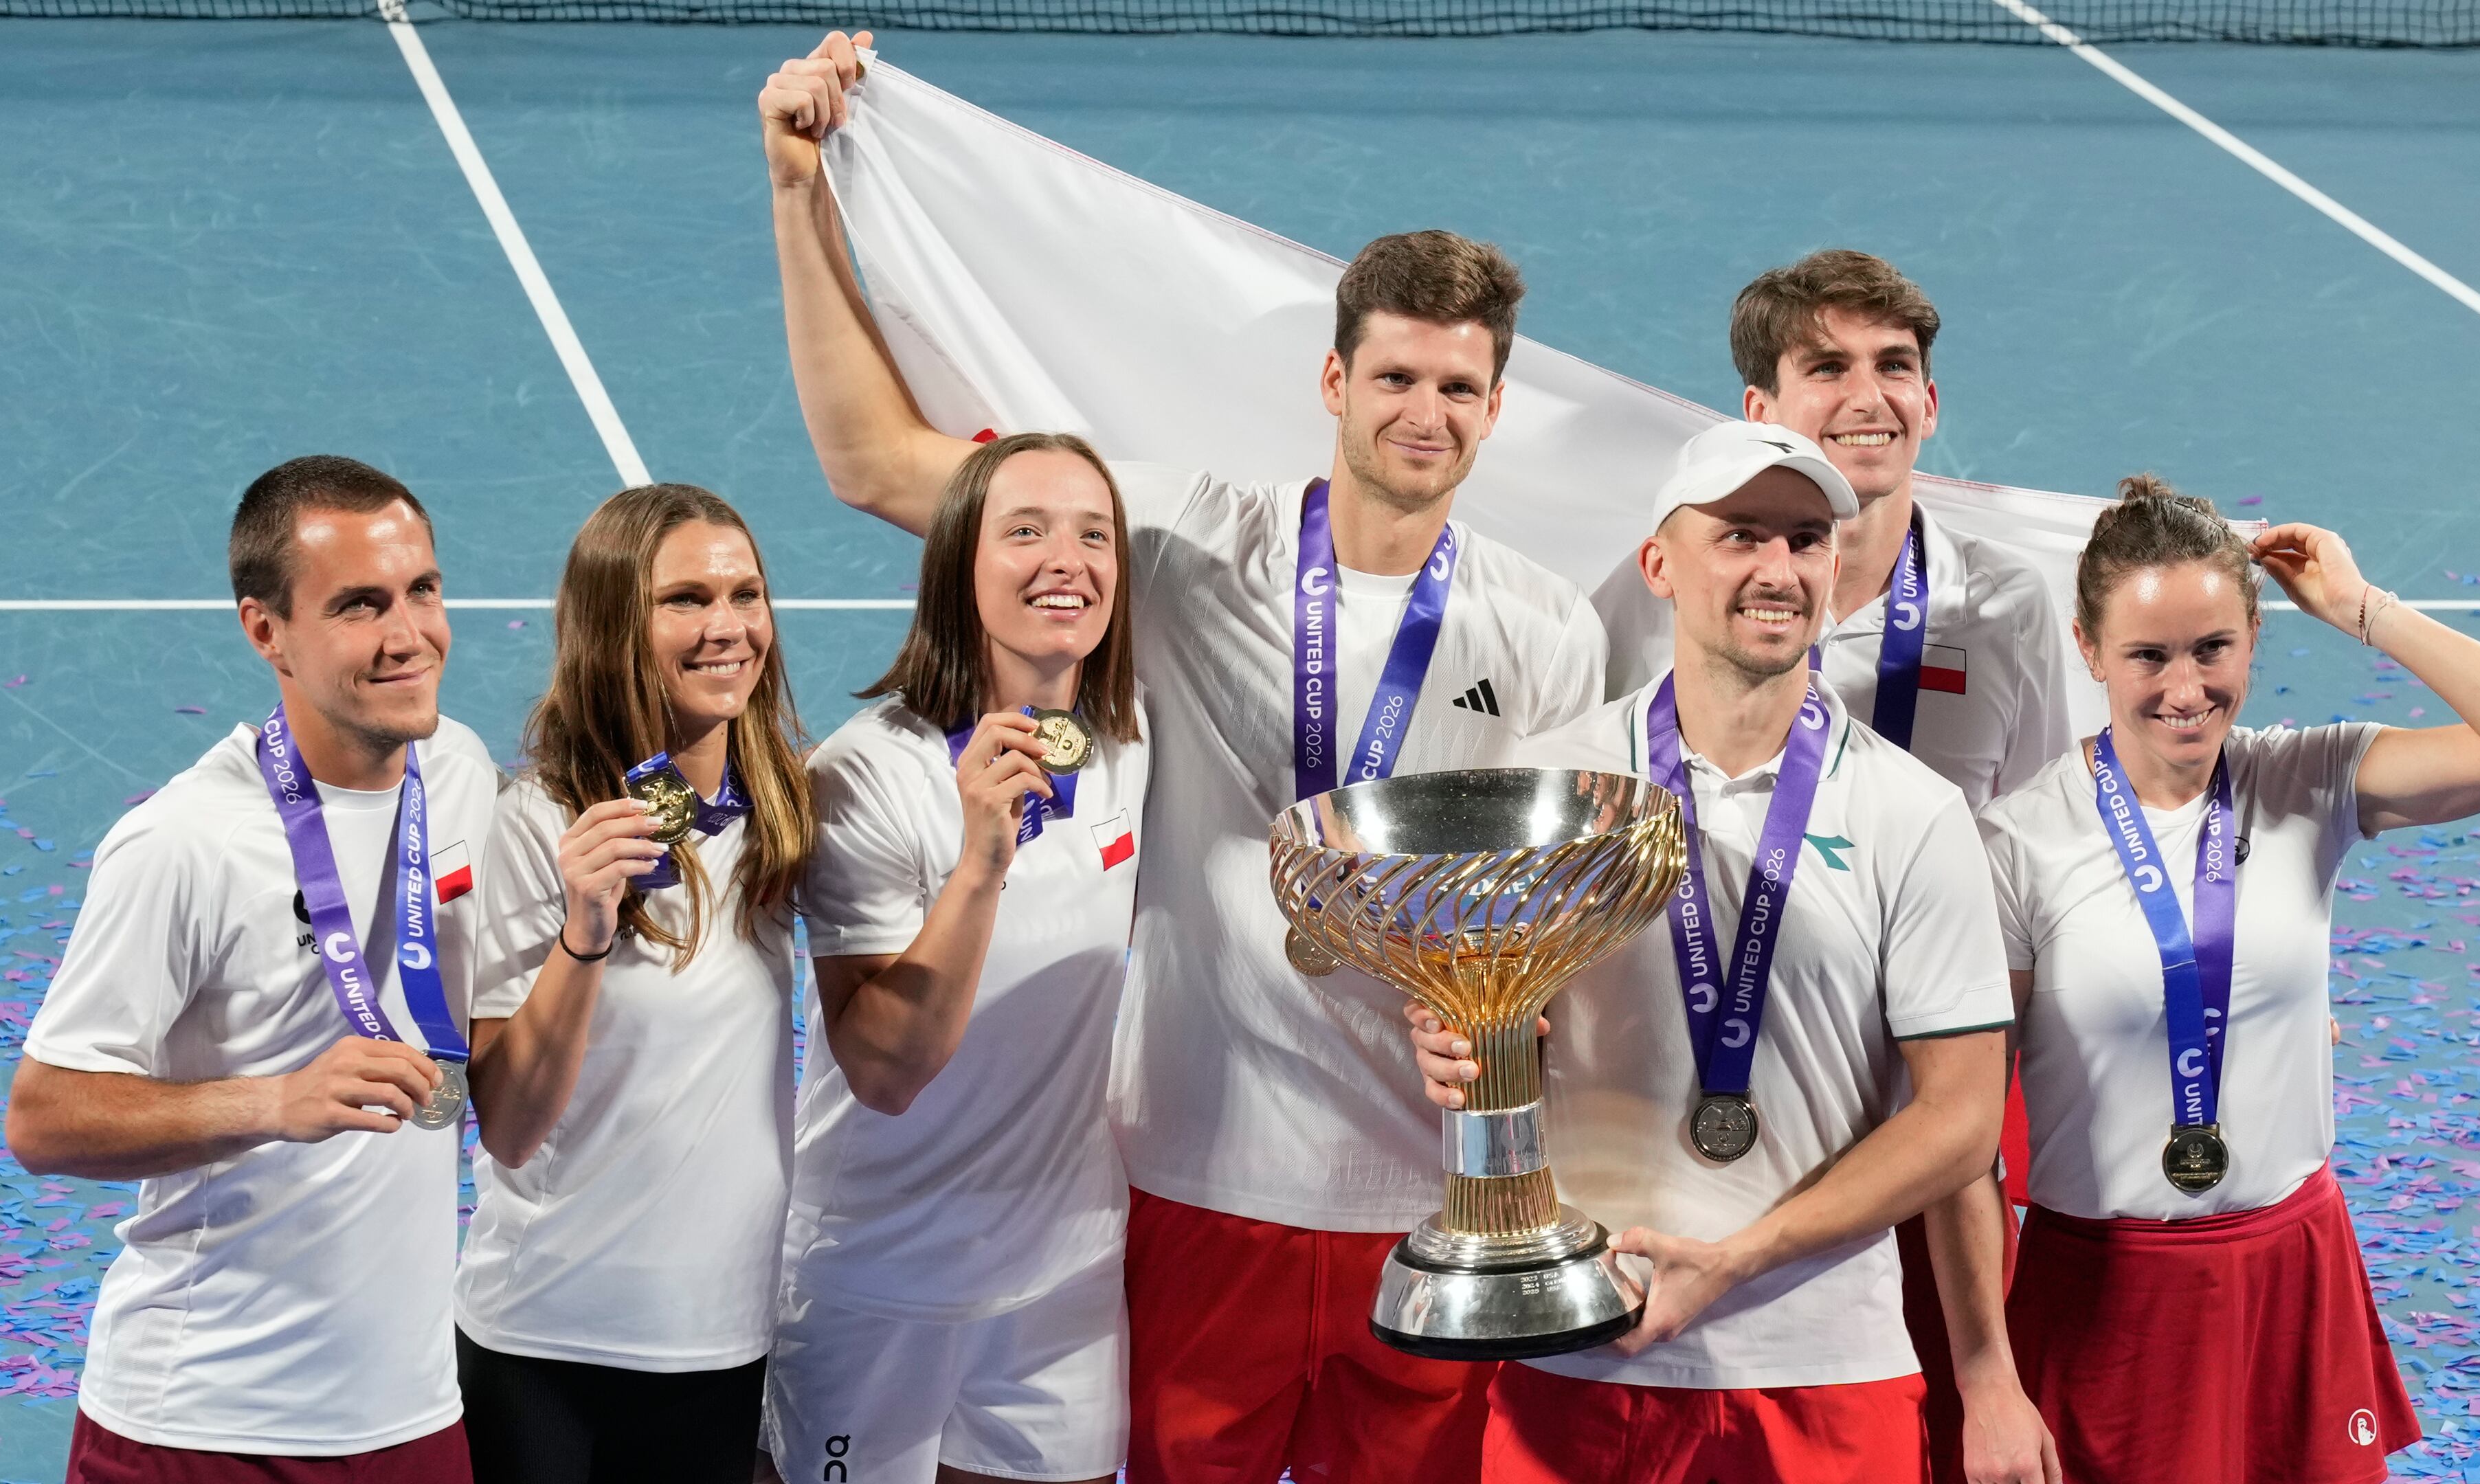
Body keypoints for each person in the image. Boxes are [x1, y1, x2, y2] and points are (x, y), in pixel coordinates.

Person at [761, 38, 1608, 1479]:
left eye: (1461, 389)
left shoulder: (1541, 626)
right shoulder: (1188, 538)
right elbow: (876, 463)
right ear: (1335, 379)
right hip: (1198, 1180)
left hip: (1426, 1192)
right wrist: (797, 187)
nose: (1426, 414)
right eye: (1396, 376)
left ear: (1497, 407)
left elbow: (1546, 922)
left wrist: (1511, 1045)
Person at [1413, 420, 2014, 1483]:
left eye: (1804, 539)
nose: (1777, 570)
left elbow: (1961, 1119)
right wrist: (1463, 1045)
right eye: (1739, 535)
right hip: (1580, 1350)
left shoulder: (1913, 811)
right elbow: (1504, 1036)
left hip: (1825, 1367)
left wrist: (1736, 1261)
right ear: (1660, 564)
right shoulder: (1551, 785)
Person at [1972, 480, 2480, 1482]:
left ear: (2255, 637)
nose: (2186, 688)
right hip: (2106, 1294)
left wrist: (2362, 610)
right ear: (2089, 651)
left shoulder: (2306, 778)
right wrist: (1988, 1379)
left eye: (2213, 648)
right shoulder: (2018, 842)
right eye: (2148, 655)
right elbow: (1965, 1140)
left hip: (2292, 1271)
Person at [1598, 249, 2074, 1481]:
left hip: (1940, 1055)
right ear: (1761, 409)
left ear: (1931, 400)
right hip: (1751, 1060)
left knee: (1959, 1391)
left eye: (1896, 368)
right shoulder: (1658, 602)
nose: (1869, 397)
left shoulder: (2006, 605)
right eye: (1828, 368)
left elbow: (2037, 841)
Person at [8, 456, 493, 1481]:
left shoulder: (458, 772)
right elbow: (43, 1118)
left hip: (411, 1418)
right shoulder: (185, 842)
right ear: (265, 630)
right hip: (205, 1425)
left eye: (423, 591)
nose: (409, 635)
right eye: (361, 606)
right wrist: (272, 1102)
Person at [763, 432, 1145, 1483]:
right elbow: (884, 1071)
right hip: (880, 1278)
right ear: (957, 570)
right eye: (1024, 531)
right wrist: (980, 859)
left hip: (1061, 1284)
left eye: (1094, 534)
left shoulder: (1132, 748)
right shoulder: (869, 777)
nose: (1067, 559)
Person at [451, 484, 813, 1484]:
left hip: (723, 1337)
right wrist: (584, 933)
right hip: (546, 1341)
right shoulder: (537, 821)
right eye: (687, 599)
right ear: (616, 623)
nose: (728, 627)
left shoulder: (785, 805)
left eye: (746, 594)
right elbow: (513, 1125)